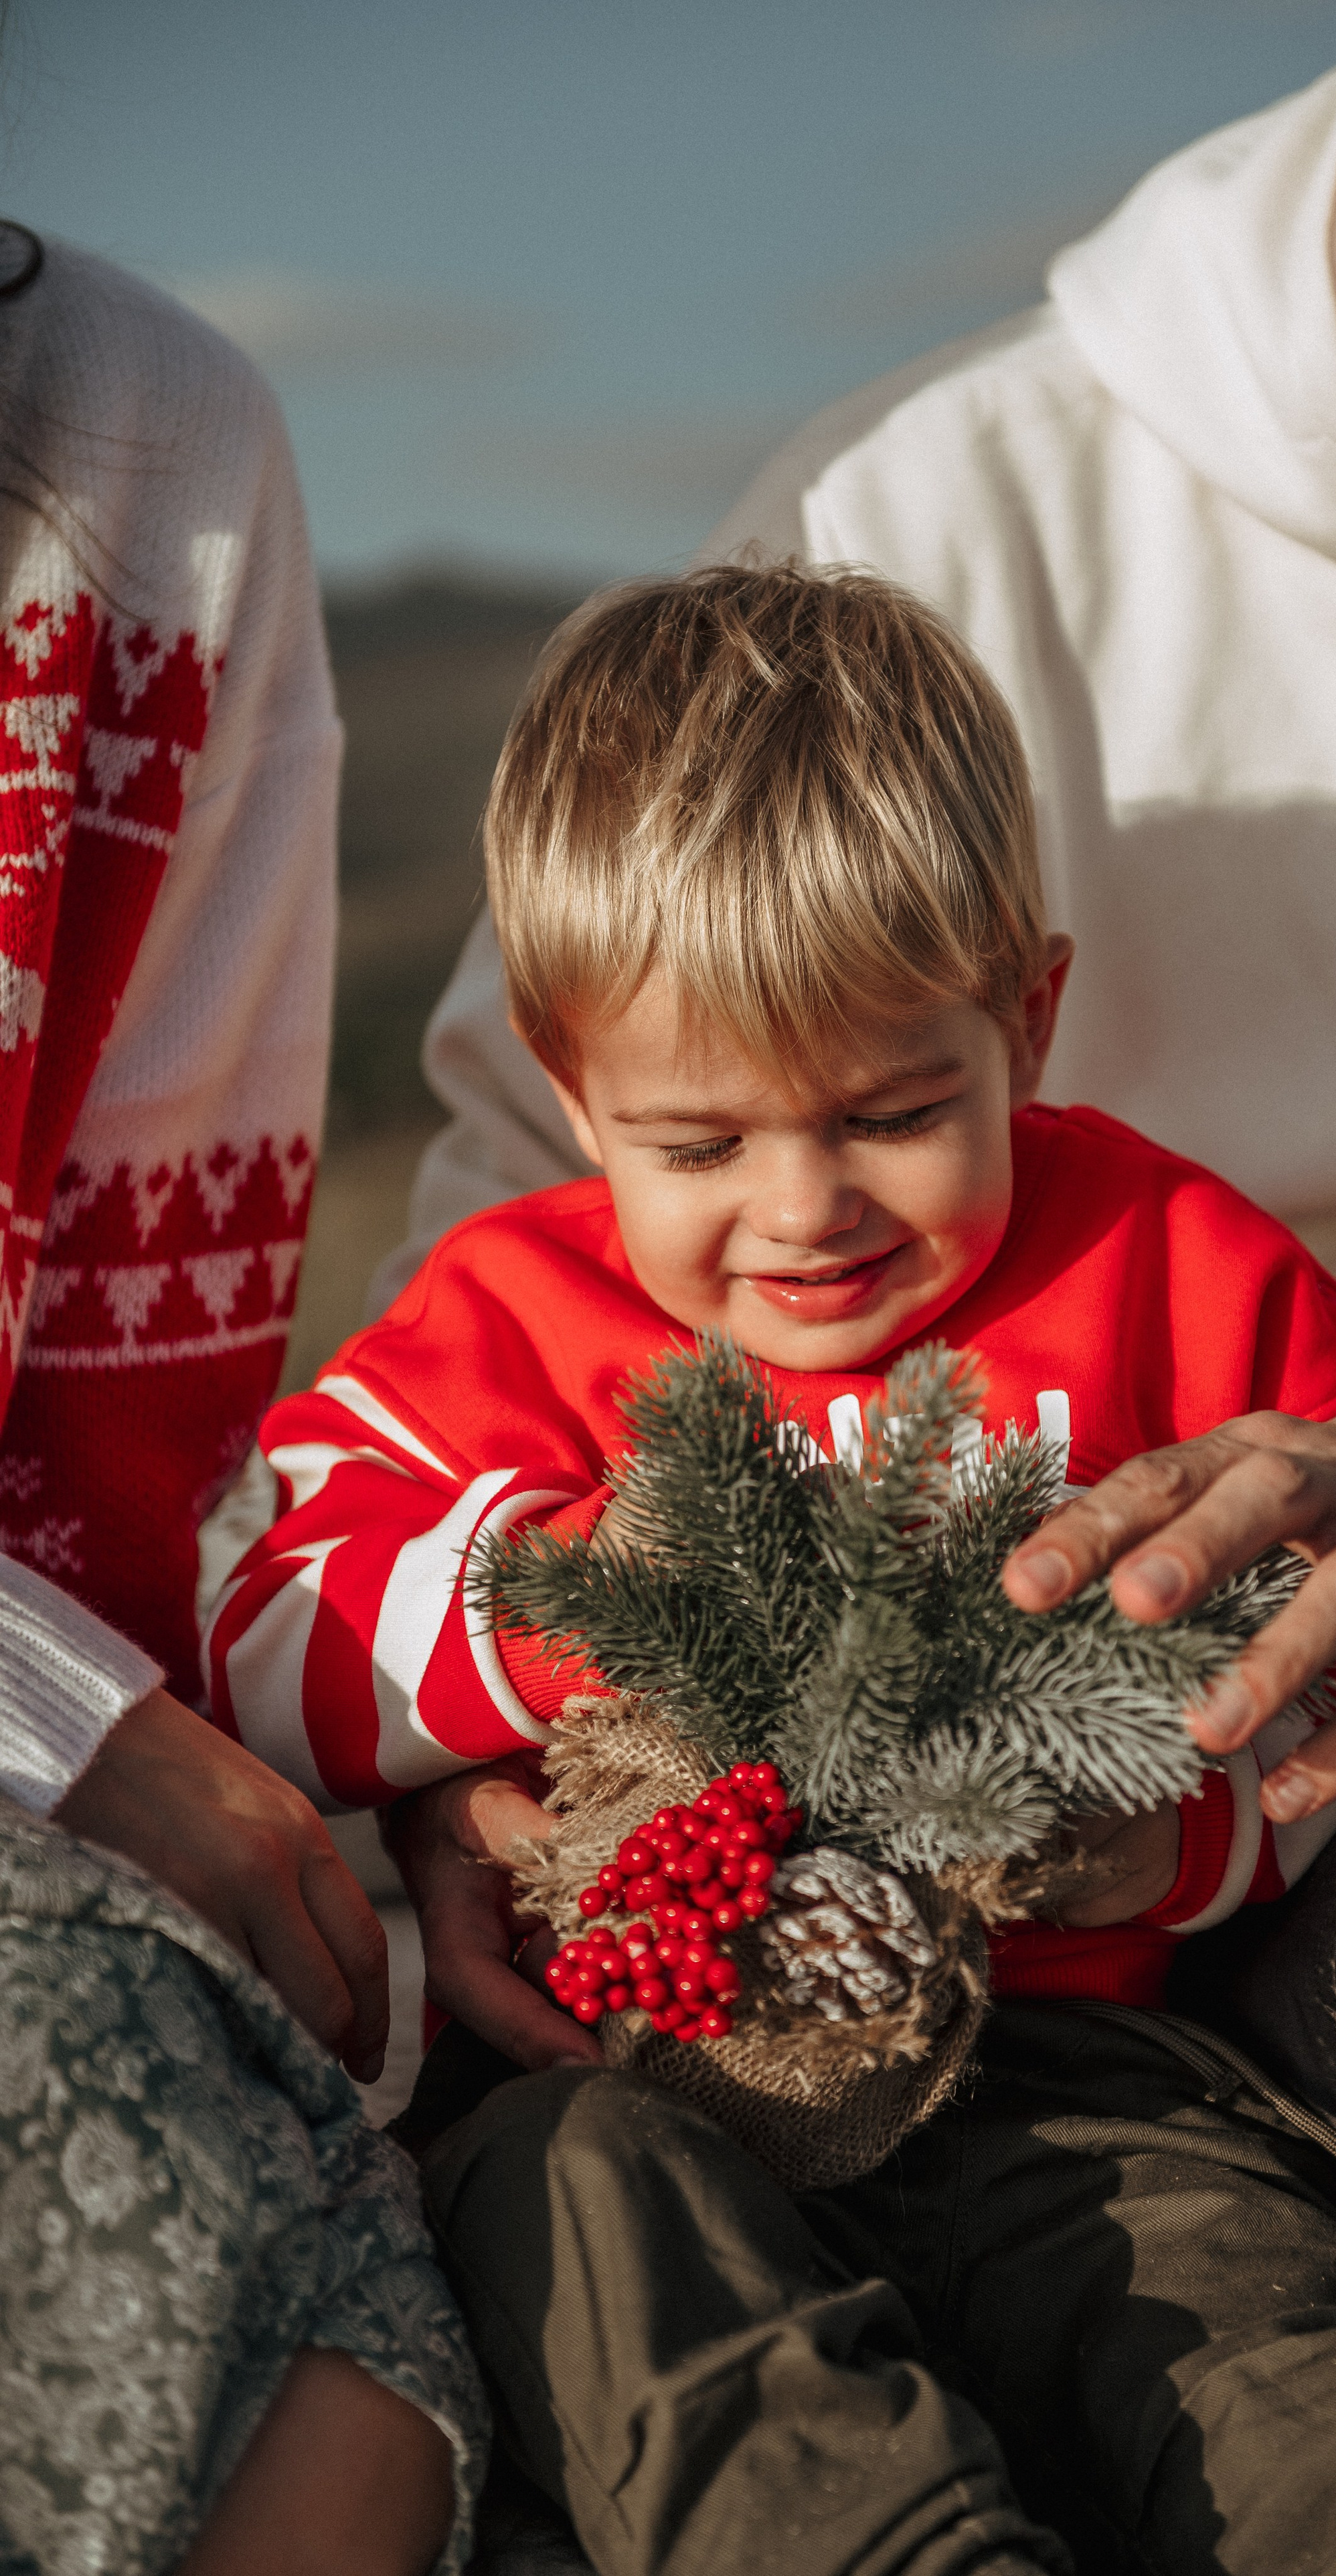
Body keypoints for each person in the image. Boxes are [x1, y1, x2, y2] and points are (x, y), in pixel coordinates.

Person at [373, 0, 1336, 2482]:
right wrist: (489, 1755)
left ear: (1032, 1018)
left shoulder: (1212, 1269)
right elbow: (522, 1275)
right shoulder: (934, 512)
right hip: (918, 1837)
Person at [216, 562, 1336, 2575]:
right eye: (697, 1144)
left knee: (1267, 2382)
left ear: (1025, 1014)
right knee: (593, 2258)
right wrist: (576, 1603)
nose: (805, 1209)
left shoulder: (1174, 1267)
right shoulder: (512, 1313)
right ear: (571, 1086)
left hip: (1072, 2073)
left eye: (897, 1112)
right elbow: (264, 1615)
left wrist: (1171, 1853)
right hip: (625, 2076)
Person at [0, 226, 485, 2573]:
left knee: (344, 2291)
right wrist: (64, 1728)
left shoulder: (144, 446)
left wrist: (424, 1759)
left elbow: (130, 1431)